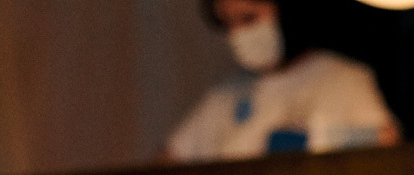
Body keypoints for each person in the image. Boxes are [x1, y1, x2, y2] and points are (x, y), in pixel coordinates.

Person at [167, 0, 399, 161]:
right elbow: (167, 166)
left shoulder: (343, 80)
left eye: (248, 18)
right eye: (228, 25)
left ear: (286, 11)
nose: (238, 35)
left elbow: (382, 152)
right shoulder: (223, 97)